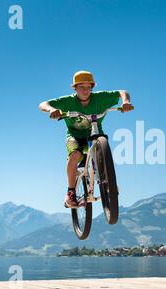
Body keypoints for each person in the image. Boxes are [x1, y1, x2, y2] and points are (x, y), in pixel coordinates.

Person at [39, 70, 133, 207]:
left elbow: (122, 92)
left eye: (89, 87)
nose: (86, 90)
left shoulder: (100, 98)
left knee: (101, 150)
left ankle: (108, 183)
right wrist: (51, 110)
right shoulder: (68, 101)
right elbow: (43, 104)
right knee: (75, 155)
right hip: (75, 136)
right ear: (75, 88)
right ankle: (70, 193)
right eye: (82, 87)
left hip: (95, 134)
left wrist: (126, 101)